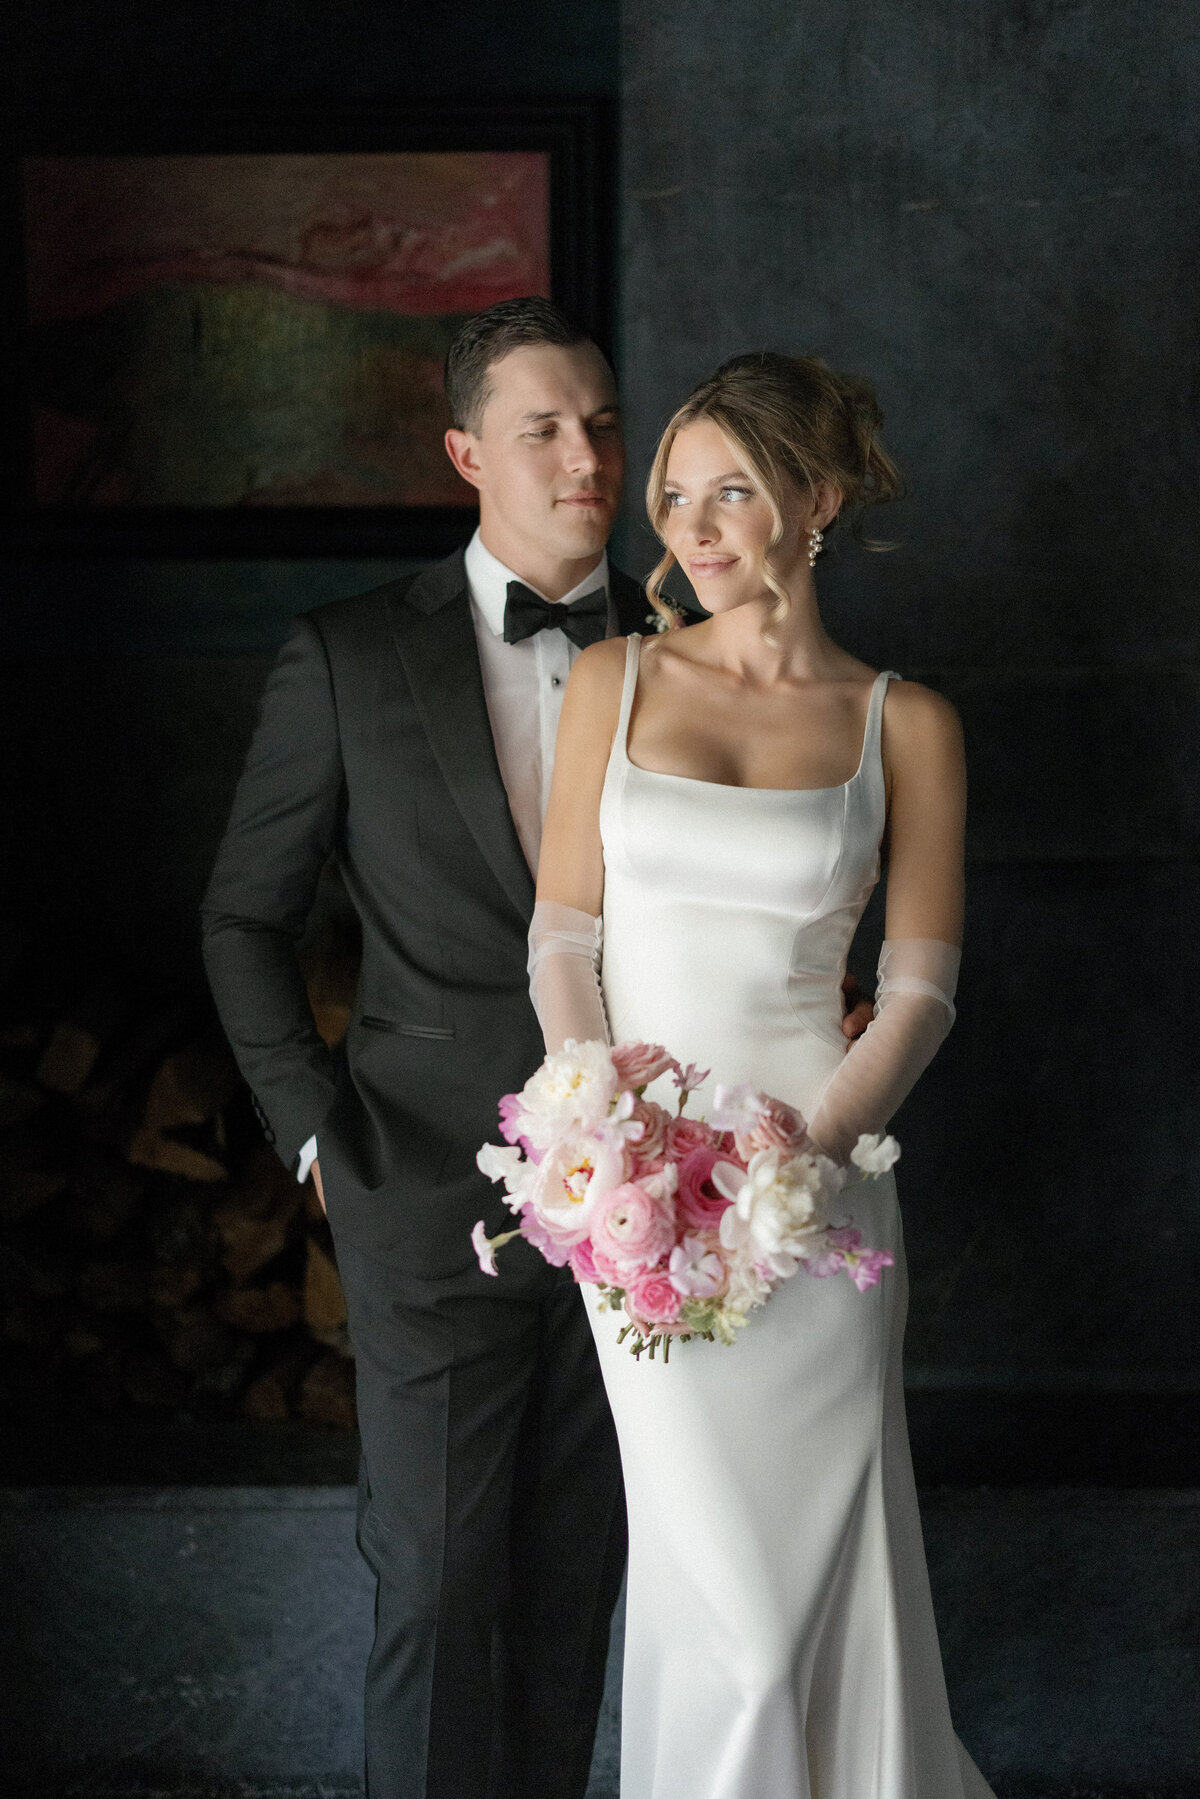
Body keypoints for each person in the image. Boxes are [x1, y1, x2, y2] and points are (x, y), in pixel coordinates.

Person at [530, 351, 995, 1797]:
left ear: (822, 500)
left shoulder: (903, 723)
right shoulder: (612, 682)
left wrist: (800, 1150)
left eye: (734, 490)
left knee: (806, 1584)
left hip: (817, 1207)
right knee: (723, 1600)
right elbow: (562, 940)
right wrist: (602, 1122)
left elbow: (917, 990)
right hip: (642, 1205)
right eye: (675, 498)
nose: (694, 528)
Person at [201, 298, 645, 1799]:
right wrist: (316, 1133)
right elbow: (242, 921)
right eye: (543, 427)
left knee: (576, 1579)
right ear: (466, 452)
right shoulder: (344, 658)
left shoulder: (689, 651)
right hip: (424, 1188)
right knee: (446, 1586)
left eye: (600, 421)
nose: (583, 453)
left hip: (652, 1202)